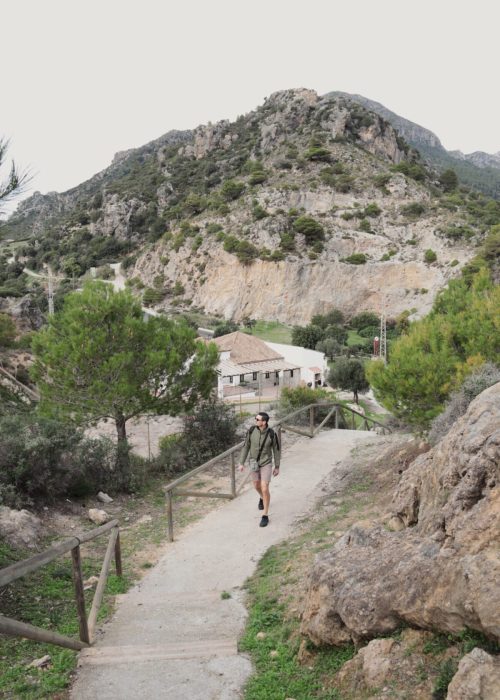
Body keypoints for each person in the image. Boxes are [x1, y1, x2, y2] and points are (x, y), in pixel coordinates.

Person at [238, 412, 280, 527]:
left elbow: (276, 451)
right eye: (255, 418)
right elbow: (246, 446)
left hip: (266, 463)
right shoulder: (252, 431)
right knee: (256, 485)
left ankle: (265, 515)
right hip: (254, 462)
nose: (255, 420)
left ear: (264, 422)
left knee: (264, 487)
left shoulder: (272, 434)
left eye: (257, 419)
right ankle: (262, 498)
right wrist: (241, 462)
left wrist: (277, 466)